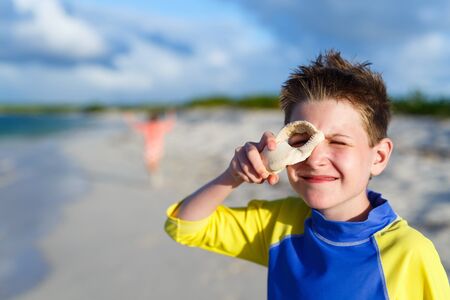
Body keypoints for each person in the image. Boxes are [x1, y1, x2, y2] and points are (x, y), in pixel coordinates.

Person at [164, 50, 450, 299]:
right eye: (301, 141)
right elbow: (185, 226)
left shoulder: (409, 254)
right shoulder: (279, 226)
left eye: (338, 142)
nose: (314, 157)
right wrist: (232, 175)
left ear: (379, 156)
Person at [125, 110, 175, 175]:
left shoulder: (146, 126)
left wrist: (128, 117)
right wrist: (171, 114)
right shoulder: (161, 125)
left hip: (148, 148)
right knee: (155, 162)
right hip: (158, 148)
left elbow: (135, 125)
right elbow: (170, 124)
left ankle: (152, 174)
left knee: (149, 164)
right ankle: (155, 174)